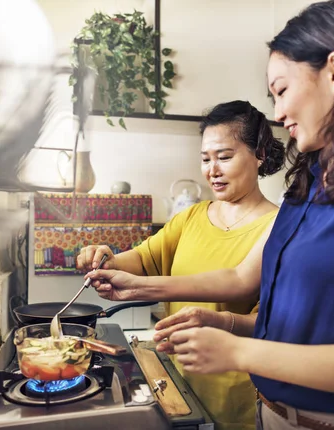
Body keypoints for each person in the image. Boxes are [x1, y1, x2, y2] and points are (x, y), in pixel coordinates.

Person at [85, 2, 334, 429]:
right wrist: (175, 301)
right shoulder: (311, 182)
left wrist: (239, 352)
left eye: (282, 90)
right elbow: (243, 278)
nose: (277, 113)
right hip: (271, 415)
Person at [76, 100, 284, 430]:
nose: (212, 170)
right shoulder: (191, 216)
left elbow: (266, 319)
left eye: (224, 157)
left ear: (259, 154)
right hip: (177, 383)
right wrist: (107, 257)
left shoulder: (279, 225)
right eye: (205, 159)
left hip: (239, 396)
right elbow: (144, 259)